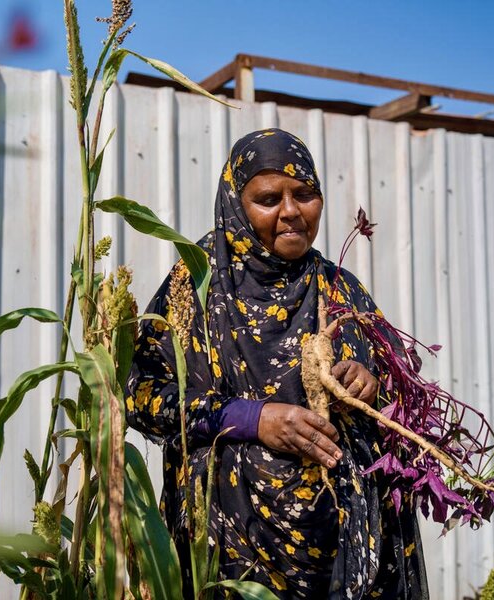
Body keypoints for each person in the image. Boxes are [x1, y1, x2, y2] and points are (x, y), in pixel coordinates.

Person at [126, 128, 428, 599]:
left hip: (344, 559)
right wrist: (253, 419)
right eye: (269, 199)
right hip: (232, 555)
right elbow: (142, 395)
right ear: (235, 204)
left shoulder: (341, 289)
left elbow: (403, 399)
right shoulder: (198, 284)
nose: (291, 212)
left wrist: (370, 385)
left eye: (304, 194)